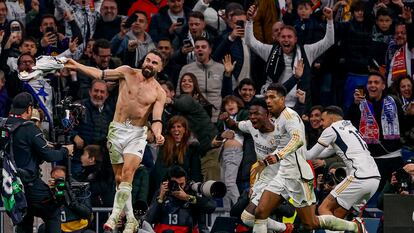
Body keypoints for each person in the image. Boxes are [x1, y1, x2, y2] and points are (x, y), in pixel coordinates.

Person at [64, 49, 167, 233]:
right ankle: (131, 220)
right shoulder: (127, 72)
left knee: (128, 173)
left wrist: (158, 134)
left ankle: (114, 216)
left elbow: (157, 118)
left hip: (137, 133)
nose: (149, 64)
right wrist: (77, 65)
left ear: (160, 67)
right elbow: (100, 74)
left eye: (154, 63)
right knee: (120, 179)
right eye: (148, 60)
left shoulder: (159, 92)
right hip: (117, 130)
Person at [252, 84, 367, 233]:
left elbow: (297, 139)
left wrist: (278, 156)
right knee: (260, 213)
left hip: (298, 177)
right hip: (283, 175)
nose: (268, 100)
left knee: (310, 223)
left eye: (272, 97)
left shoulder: (290, 116)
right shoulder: (277, 119)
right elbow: (283, 144)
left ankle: (354, 226)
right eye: (267, 97)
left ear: (282, 99)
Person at [306, 106, 381, 232]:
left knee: (323, 209)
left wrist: (295, 147)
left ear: (333, 118)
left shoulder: (332, 129)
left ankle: (357, 227)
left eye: (323, 120)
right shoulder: (350, 128)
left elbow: (310, 155)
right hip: (374, 179)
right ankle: (357, 226)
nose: (321, 124)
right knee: (338, 215)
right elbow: (325, 152)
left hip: (359, 176)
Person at [8, 92, 74, 233]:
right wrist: (65, 151)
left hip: (11, 186)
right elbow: (49, 156)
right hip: (30, 185)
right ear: (29, 109)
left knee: (24, 219)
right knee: (53, 213)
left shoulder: (3, 125)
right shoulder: (29, 128)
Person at [221, 98, 282, 231]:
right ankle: (284, 228)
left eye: (256, 114)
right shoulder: (250, 125)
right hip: (263, 179)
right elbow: (234, 125)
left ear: (268, 114)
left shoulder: (280, 131)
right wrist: (226, 119)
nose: (252, 117)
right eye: (250, 114)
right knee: (247, 218)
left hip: (282, 179)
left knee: (259, 215)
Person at [146, 165, 216, 233]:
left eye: (182, 184)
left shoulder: (191, 191)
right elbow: (149, 219)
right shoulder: (162, 192)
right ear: (168, 182)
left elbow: (211, 207)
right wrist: (160, 197)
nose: (179, 188)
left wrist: (187, 197)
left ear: (186, 180)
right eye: (176, 184)